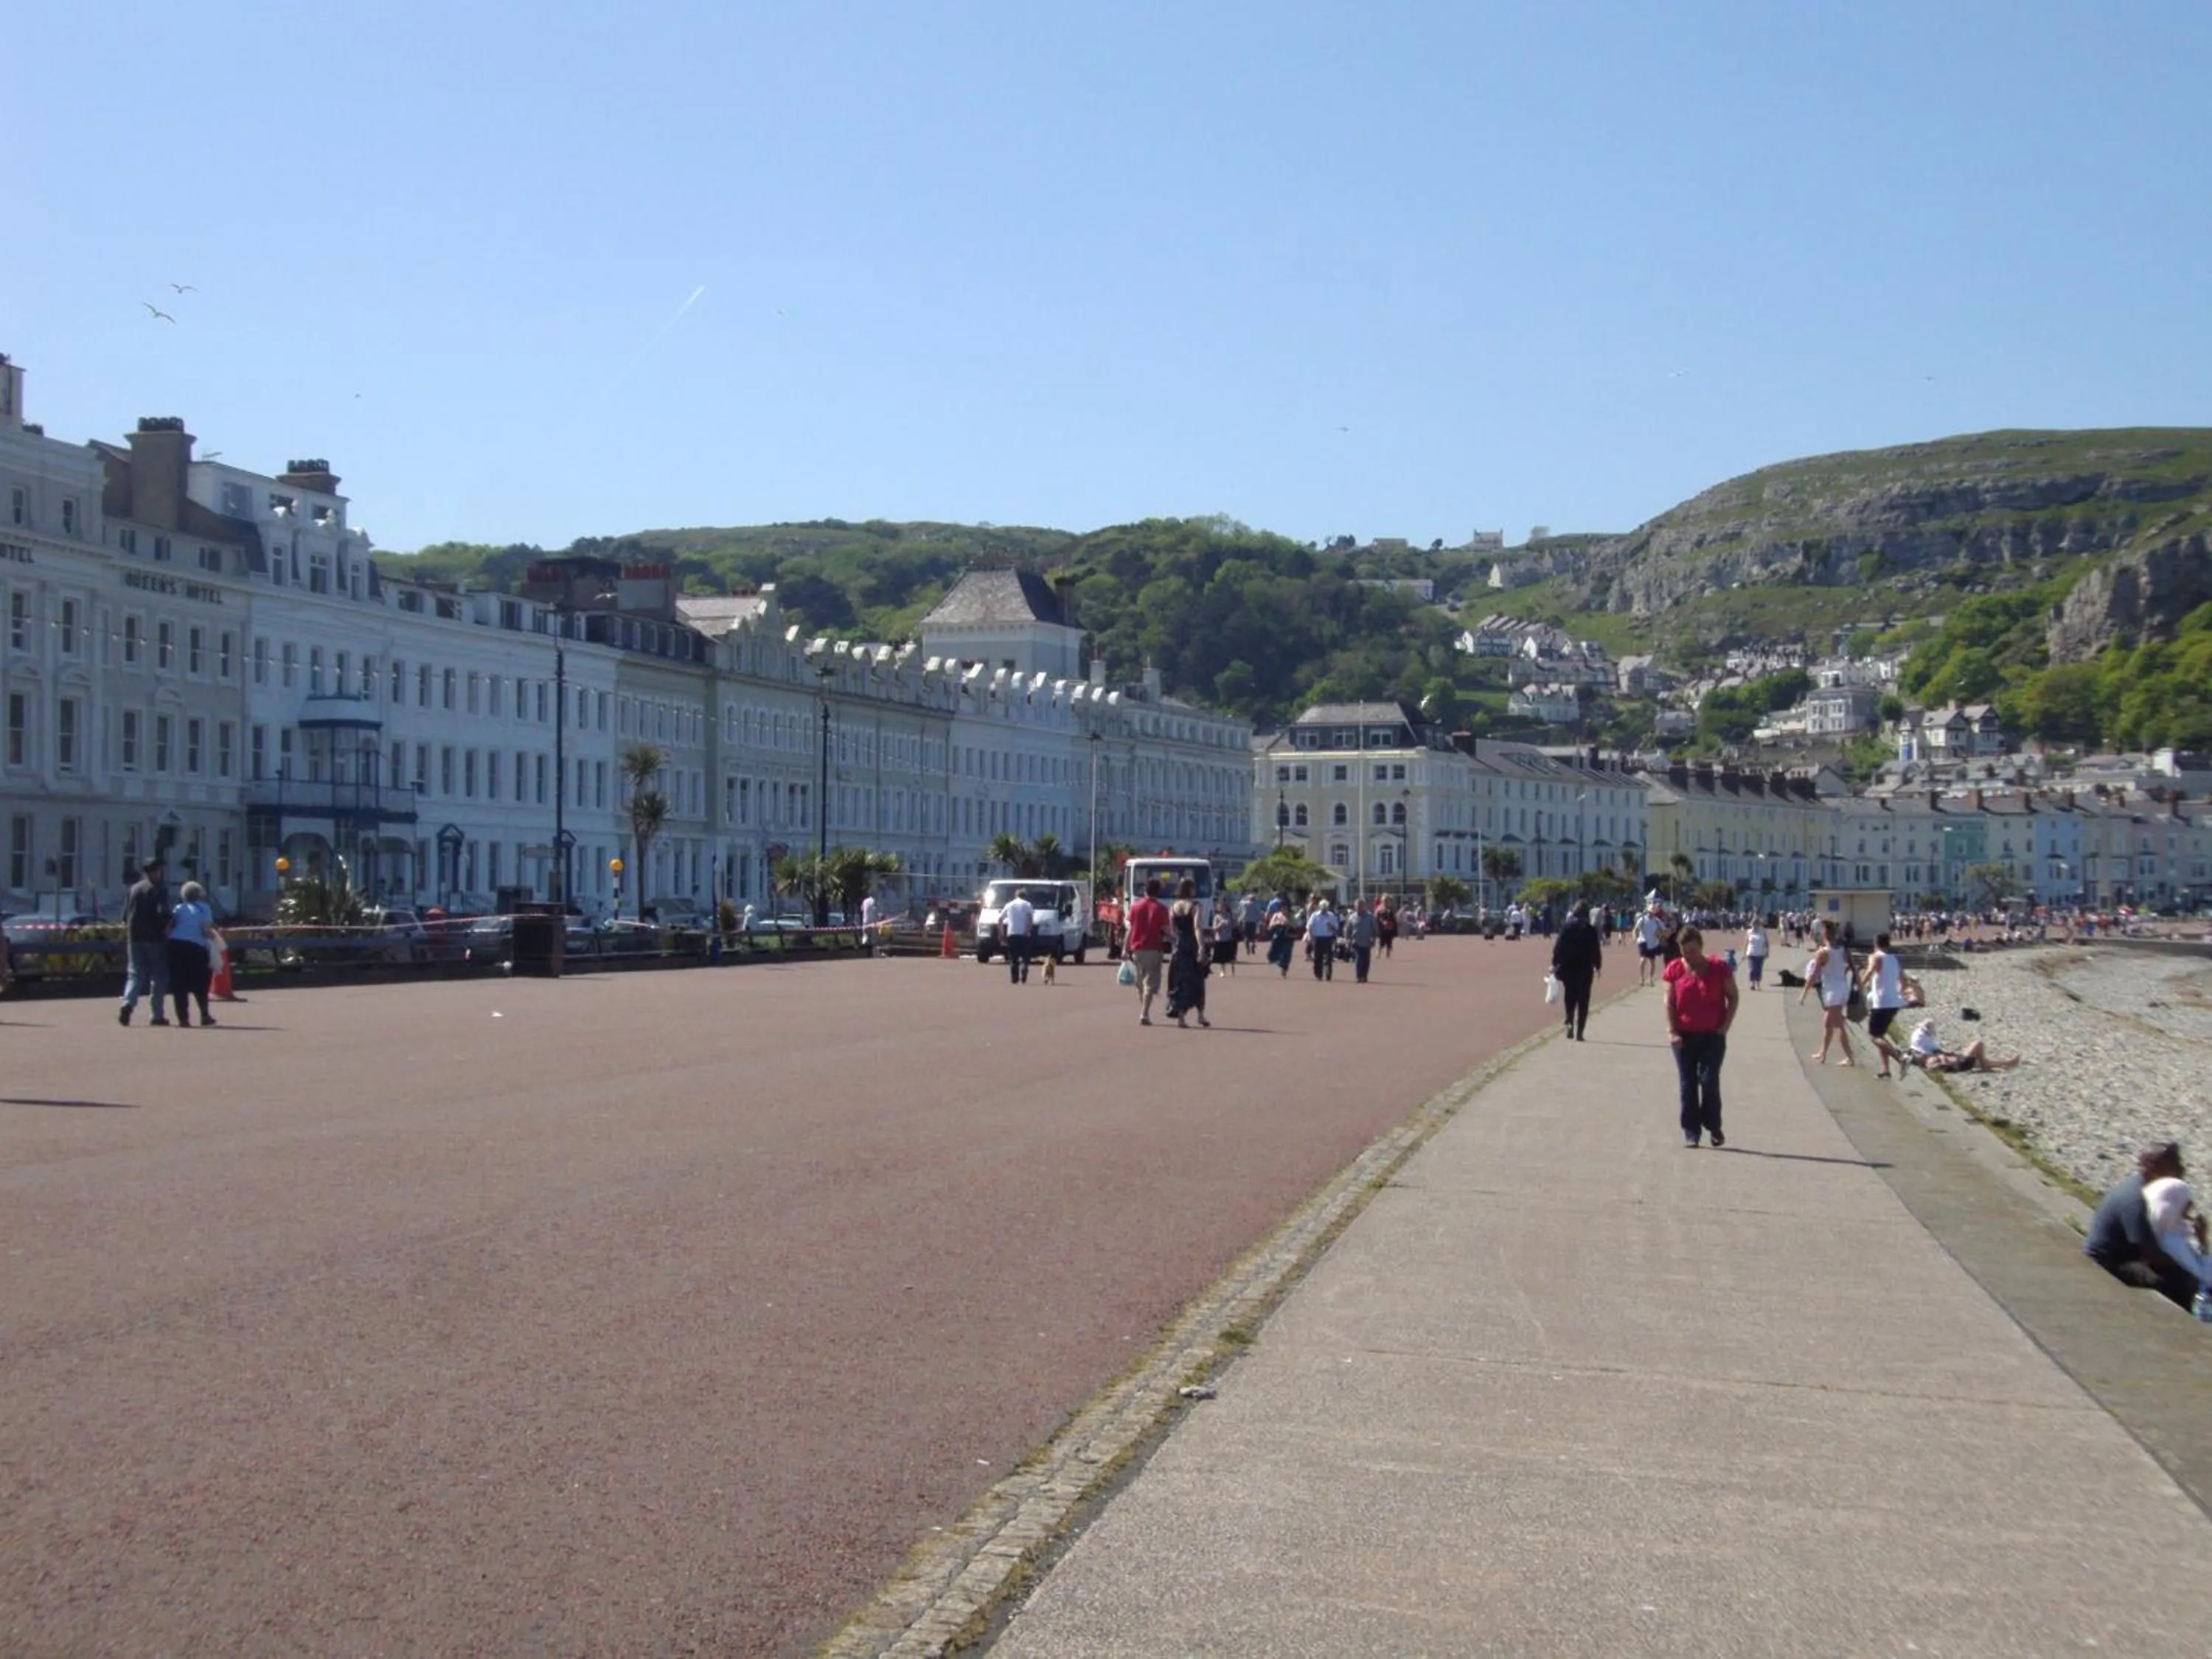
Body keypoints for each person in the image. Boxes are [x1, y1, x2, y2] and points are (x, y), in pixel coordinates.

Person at [2084, 1143, 2206, 1310]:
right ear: (2154, 1167)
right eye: (2175, 1164)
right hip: (2108, 1261)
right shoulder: (2135, 1200)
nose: (2181, 1170)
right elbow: (2152, 1255)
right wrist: (2184, 1265)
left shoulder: (2146, 1190)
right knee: (2170, 1281)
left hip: (2126, 1254)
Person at [1663, 925, 1739, 1148]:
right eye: (1685, 951)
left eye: (1693, 951)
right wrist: (1671, 1030)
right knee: (1687, 1084)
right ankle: (1691, 1131)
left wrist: (1724, 1028)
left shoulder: (1719, 968)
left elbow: (1733, 997)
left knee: (1709, 1081)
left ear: (1701, 947)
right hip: (1683, 1037)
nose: (1690, 956)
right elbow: (1669, 1003)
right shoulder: (1675, 969)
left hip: (1712, 1036)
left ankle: (1714, 1127)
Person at [118, 858, 173, 1027]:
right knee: (158, 976)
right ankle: (156, 1015)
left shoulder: (133, 889)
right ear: (155, 871)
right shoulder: (159, 889)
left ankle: (128, 1004)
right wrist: (168, 925)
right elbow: (163, 913)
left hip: (134, 937)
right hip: (155, 938)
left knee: (135, 974)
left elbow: (125, 915)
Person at [1798, 918, 1856, 1068]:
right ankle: (1823, 1052)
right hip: (1842, 988)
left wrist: (1803, 994)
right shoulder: (1843, 950)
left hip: (1832, 991)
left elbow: (1813, 975)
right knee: (1827, 1023)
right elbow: (1851, 966)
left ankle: (1849, 1057)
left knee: (1838, 1025)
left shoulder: (1823, 953)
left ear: (1824, 935)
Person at [165, 880, 218, 1027]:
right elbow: (206, 931)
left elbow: (169, 928)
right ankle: (204, 1014)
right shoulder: (204, 908)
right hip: (195, 947)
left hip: (175, 945)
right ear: (199, 895)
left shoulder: (178, 908)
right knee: (201, 982)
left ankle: (183, 1018)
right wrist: (215, 938)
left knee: (179, 984)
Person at [1551, 900, 1603, 1041]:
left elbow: (1558, 947)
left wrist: (1555, 963)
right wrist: (1598, 965)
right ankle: (1580, 1031)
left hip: (1569, 967)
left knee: (1570, 996)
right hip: (1585, 968)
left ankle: (1569, 1020)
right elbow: (1595, 950)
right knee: (1584, 1000)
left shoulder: (1567, 928)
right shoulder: (1591, 930)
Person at [1164, 876, 1211, 1029]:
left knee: (1179, 983)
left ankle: (1181, 1017)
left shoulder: (1173, 907)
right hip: (1192, 947)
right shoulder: (1195, 906)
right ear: (1190, 889)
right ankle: (1200, 1015)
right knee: (1198, 982)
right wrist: (1202, 947)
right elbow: (1197, 928)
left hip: (1178, 949)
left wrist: (1174, 943)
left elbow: (1172, 931)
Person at [1861, 932, 1907, 1077]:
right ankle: (1885, 1070)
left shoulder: (1877, 957)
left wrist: (1857, 988)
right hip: (1894, 1002)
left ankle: (1900, 1058)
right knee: (1881, 1035)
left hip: (1881, 1003)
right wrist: (1897, 994)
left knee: (1874, 1036)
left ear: (1875, 943)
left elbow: (1869, 973)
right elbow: (1903, 982)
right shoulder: (1894, 959)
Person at [1124, 877, 1169, 1026]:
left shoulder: (1135, 907)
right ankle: (1144, 1013)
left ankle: (1144, 1010)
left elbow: (1129, 930)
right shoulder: (1161, 909)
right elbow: (1166, 930)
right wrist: (1175, 940)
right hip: (1154, 948)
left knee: (1140, 982)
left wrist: (1125, 949)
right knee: (1150, 982)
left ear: (1145, 890)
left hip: (1137, 949)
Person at [1905, 1020, 2020, 1074]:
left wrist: (1942, 1057)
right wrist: (1943, 1059)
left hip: (1958, 1061)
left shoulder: (1923, 1052)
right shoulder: (1928, 1058)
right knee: (1977, 1044)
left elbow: (1936, 1057)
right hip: (1960, 1063)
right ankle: (1990, 1067)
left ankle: (2006, 1063)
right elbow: (1937, 1065)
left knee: (1980, 1061)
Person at [1001, 886, 1036, 985]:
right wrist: (1028, 930)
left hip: (1012, 934)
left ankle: (1014, 978)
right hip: (1024, 934)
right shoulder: (1028, 905)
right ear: (1025, 896)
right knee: (1025, 956)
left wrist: (1002, 933)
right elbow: (1030, 919)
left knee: (1013, 957)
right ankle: (1024, 968)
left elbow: (1000, 919)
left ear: (1016, 895)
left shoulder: (1009, 905)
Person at [1304, 897, 1340, 980]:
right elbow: (1309, 926)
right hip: (1317, 938)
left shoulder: (1331, 916)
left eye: (1325, 907)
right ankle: (1318, 975)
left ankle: (1328, 975)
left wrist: (1331, 926)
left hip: (1328, 938)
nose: (1324, 909)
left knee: (1328, 958)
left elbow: (1336, 928)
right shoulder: (1315, 915)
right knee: (1318, 958)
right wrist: (1311, 936)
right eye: (1322, 907)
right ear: (1320, 907)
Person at [1346, 900, 1377, 984]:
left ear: (1364, 906)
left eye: (1361, 906)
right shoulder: (1352, 917)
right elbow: (1348, 930)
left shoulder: (1370, 917)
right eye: (1357, 906)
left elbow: (1375, 929)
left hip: (1367, 941)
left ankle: (1364, 976)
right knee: (1358, 959)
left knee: (1366, 960)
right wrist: (1348, 940)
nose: (1359, 908)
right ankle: (1359, 976)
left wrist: (1374, 939)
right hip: (1356, 941)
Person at [1634, 905, 1663, 986]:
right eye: (1650, 912)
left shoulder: (1657, 921)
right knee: (1643, 960)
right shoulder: (1642, 919)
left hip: (1653, 943)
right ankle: (1642, 978)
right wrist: (1635, 936)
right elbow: (1636, 929)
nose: (1651, 914)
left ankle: (1650, 979)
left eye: (1653, 913)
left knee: (1652, 962)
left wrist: (1662, 935)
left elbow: (1664, 930)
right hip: (1643, 941)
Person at [1265, 902, 1297, 976]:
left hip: (1289, 936)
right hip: (1279, 935)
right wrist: (1276, 926)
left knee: (1287, 953)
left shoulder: (1292, 915)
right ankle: (1277, 960)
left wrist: (1290, 924)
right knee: (1275, 948)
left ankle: (1284, 968)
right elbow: (1271, 924)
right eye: (1283, 908)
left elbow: (1297, 923)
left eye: (1286, 908)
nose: (1285, 910)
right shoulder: (1277, 915)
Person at [1211, 905, 1239, 975]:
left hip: (1229, 938)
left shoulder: (1230, 916)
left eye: (1223, 908)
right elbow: (1214, 928)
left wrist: (1233, 923)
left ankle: (1233, 969)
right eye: (1220, 908)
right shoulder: (1217, 917)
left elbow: (1235, 925)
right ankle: (1223, 971)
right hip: (1220, 939)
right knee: (1221, 958)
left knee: (1231, 956)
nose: (1222, 910)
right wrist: (1220, 925)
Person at [1744, 917, 1769, 991]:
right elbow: (1746, 943)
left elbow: (1767, 943)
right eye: (1753, 924)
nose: (1755, 926)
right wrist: (1744, 953)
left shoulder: (1763, 931)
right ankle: (1752, 984)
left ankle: (1758, 984)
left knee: (1759, 970)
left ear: (1759, 924)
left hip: (1760, 954)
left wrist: (1767, 952)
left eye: (1756, 924)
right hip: (1751, 953)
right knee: (1752, 969)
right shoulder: (1749, 932)